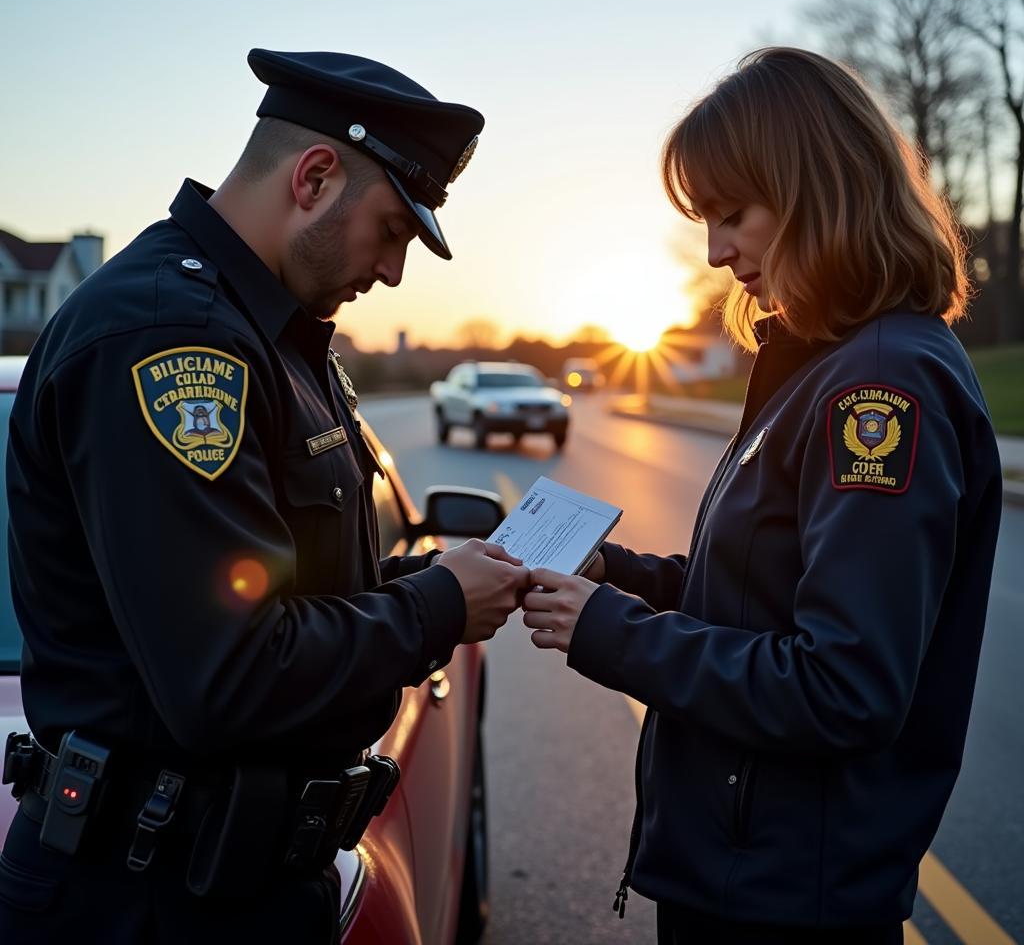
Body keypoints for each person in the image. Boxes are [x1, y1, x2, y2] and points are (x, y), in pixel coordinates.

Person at [0, 49, 529, 943]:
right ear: (315, 177)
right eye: (393, 231)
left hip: (233, 882)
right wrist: (438, 603)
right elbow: (230, 676)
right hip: (149, 903)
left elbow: (302, 588)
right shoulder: (171, 339)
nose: (395, 273)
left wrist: (428, 584)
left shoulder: (276, 336)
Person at [522, 47, 1002, 944]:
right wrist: (612, 574)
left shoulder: (881, 387)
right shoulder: (818, 364)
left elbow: (841, 686)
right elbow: (757, 593)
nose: (716, 252)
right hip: (747, 878)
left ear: (816, 189)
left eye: (732, 215)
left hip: (788, 901)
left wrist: (606, 630)